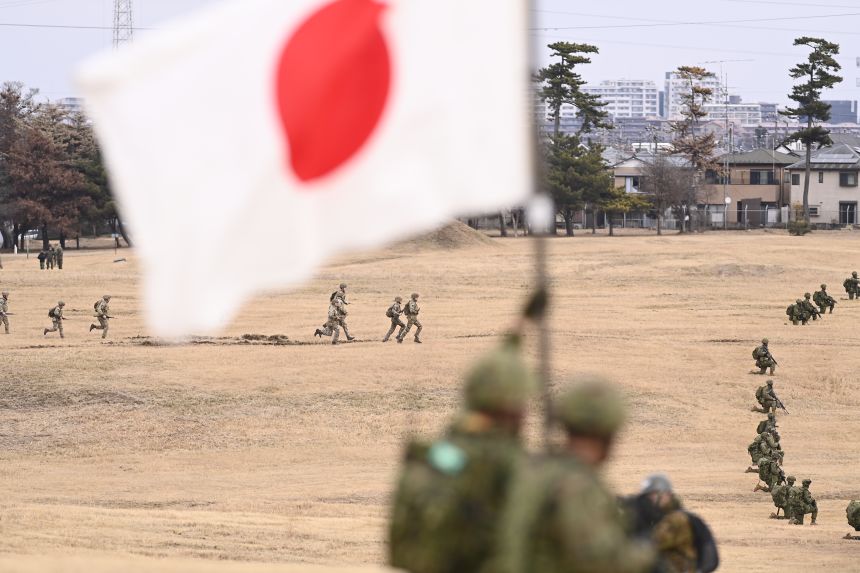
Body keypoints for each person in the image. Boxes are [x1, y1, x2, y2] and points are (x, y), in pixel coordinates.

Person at [388, 290, 547, 573]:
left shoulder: (440, 451)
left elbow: (495, 373)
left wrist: (522, 322)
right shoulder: (502, 463)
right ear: (511, 409)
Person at [497, 377, 655, 573]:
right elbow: (600, 561)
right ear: (609, 435)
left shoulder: (535, 470)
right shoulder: (577, 485)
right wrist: (650, 551)